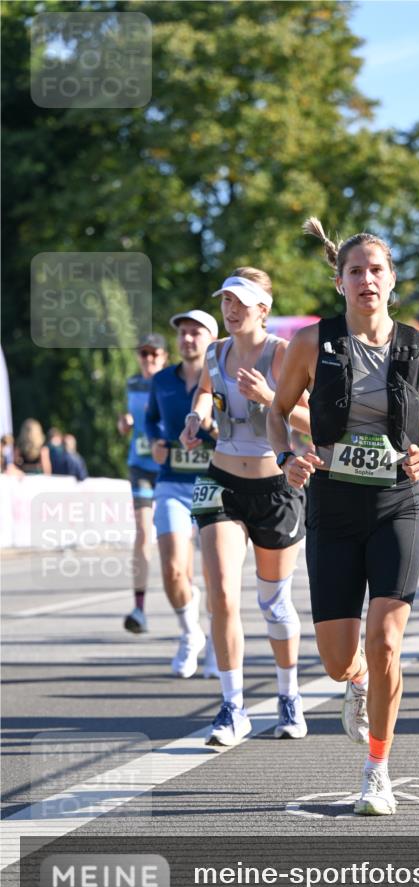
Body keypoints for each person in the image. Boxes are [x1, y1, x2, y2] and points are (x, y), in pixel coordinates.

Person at [268, 218, 419, 816]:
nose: (366, 280)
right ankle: (353, 684)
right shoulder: (310, 343)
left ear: (391, 280)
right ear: (340, 282)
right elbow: (277, 412)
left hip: (397, 505)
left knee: (387, 641)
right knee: (336, 659)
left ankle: (377, 769)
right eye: (355, 271)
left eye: (377, 270)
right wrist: (287, 457)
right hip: (332, 506)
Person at [180, 268, 312, 747]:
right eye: (225, 302)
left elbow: (315, 422)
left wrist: (270, 397)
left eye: (240, 302)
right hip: (220, 482)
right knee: (220, 594)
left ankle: (288, 695)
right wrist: (197, 417)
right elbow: (205, 393)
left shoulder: (286, 354)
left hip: (276, 488)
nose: (230, 310)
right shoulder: (215, 353)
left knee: (274, 604)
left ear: (264, 308)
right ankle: (232, 707)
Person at [145, 310, 219, 678]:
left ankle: (219, 641)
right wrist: (156, 443)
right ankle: (191, 634)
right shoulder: (162, 380)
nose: (188, 339)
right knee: (174, 569)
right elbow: (150, 418)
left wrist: (217, 433)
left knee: (216, 573)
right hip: (172, 480)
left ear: (212, 339)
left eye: (196, 333)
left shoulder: (224, 377)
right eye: (183, 333)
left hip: (217, 482)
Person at [117, 333, 168, 633]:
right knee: (142, 532)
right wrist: (124, 424)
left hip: (171, 467)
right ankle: (139, 608)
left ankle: (185, 590)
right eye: (142, 354)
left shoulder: (172, 382)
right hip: (140, 467)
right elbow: (130, 421)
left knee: (172, 538)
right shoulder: (133, 384)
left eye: (153, 354)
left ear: (164, 357)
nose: (147, 359)